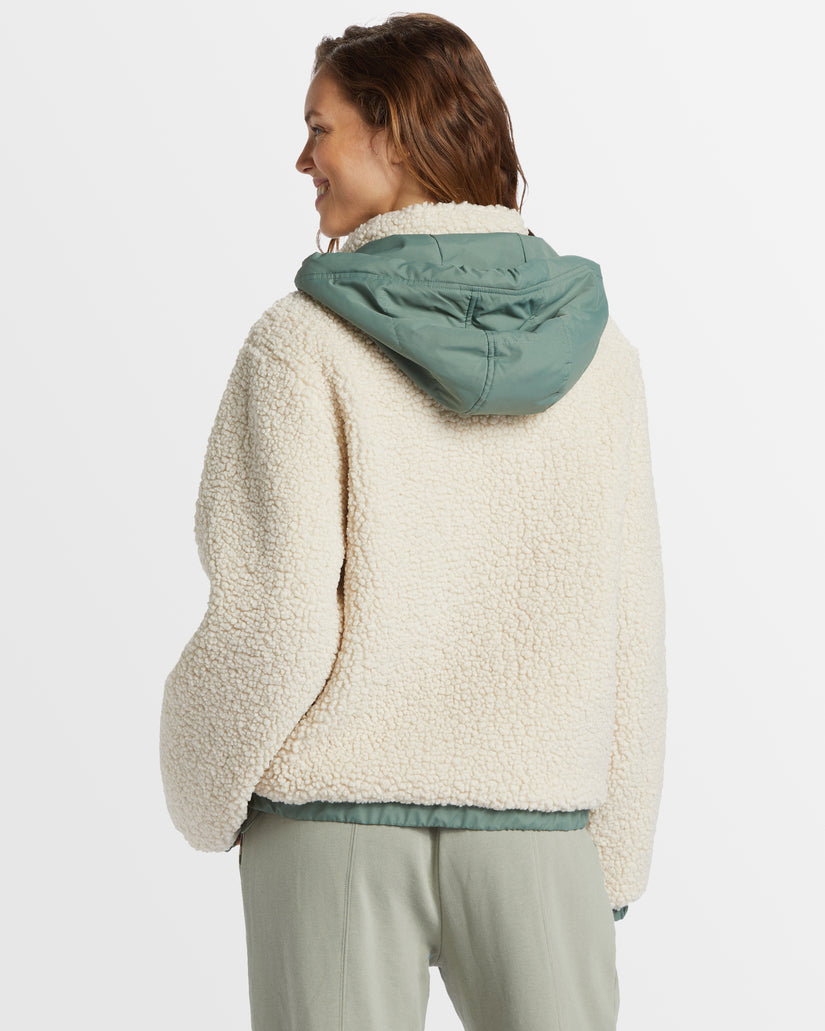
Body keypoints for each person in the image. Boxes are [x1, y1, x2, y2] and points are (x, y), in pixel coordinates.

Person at [159, 12, 667, 1031]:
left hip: (331, 822)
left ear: (393, 133)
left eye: (320, 129)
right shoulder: (599, 356)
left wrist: (198, 789)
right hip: (538, 828)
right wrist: (612, 859)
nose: (301, 159)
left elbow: (275, 616)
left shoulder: (300, 344)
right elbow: (630, 624)